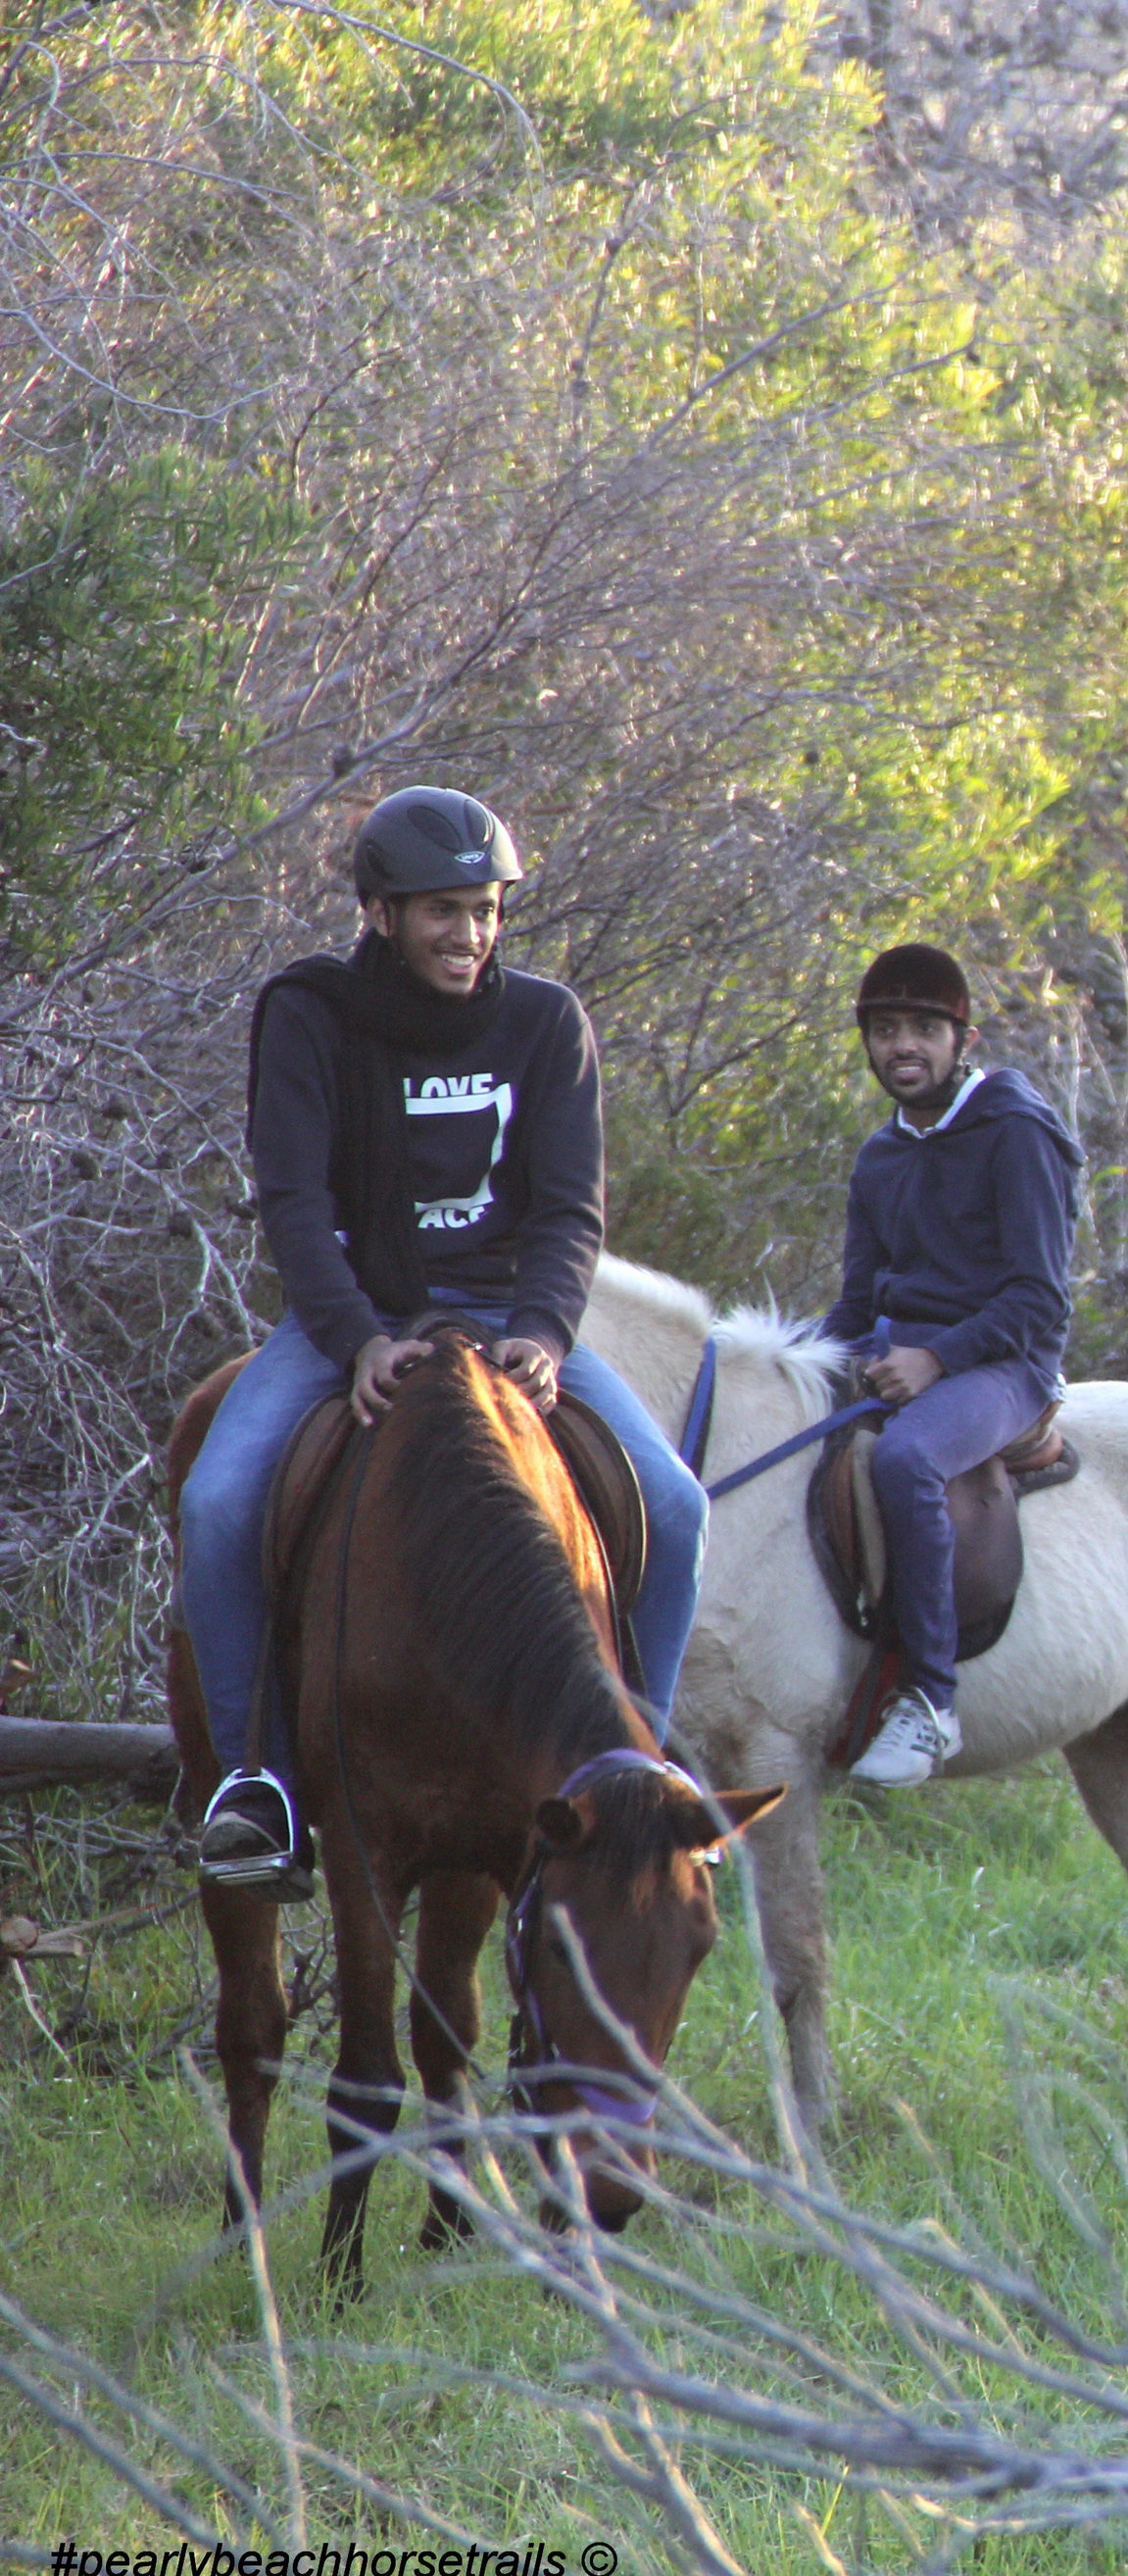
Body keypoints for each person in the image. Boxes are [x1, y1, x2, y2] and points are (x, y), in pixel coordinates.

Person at [186, 787, 709, 1888]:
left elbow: (569, 1212)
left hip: (507, 1317)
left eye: (485, 910)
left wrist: (546, 1333)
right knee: (218, 1501)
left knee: (674, 1504)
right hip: (356, 1318)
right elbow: (294, 1202)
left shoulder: (547, 1023)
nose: (470, 934)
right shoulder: (310, 1014)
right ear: (381, 912)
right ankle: (256, 1780)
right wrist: (356, 1340)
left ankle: (639, 1764)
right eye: (443, 911)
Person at [824, 944, 1087, 1790]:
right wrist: (805, 1364)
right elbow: (855, 1303)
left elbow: (1039, 1296)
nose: (903, 1044)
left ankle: (931, 1700)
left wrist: (937, 1358)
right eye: (885, 1029)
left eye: (923, 1028)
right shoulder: (879, 1157)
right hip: (903, 1353)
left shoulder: (1016, 1131)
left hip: (1006, 1364)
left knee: (907, 1459)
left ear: (962, 1039)